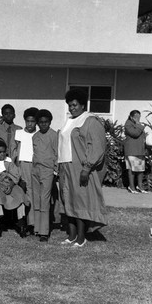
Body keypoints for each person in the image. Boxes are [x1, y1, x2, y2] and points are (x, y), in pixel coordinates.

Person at [58, 88, 107, 247]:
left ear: (83, 105)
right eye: (69, 105)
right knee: (68, 200)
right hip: (65, 165)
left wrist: (87, 168)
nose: (72, 108)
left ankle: (81, 237)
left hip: (80, 167)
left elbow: (97, 146)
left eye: (74, 105)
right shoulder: (69, 121)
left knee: (80, 202)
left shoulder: (90, 121)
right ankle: (71, 236)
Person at [0, 140, 28, 238]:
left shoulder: (9, 162)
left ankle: (21, 222)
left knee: (19, 194)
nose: (2, 154)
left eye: (3, 152)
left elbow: (16, 175)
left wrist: (12, 184)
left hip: (10, 184)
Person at [31, 109, 58, 242]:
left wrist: (56, 170)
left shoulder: (54, 136)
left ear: (50, 122)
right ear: (37, 123)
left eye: (46, 122)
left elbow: (57, 154)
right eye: (40, 122)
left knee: (45, 199)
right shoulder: (34, 136)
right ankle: (37, 227)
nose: (43, 125)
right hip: (35, 169)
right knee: (36, 198)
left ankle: (44, 231)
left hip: (47, 171)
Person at [14, 107, 39, 232]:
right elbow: (16, 152)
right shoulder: (19, 133)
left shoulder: (38, 135)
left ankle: (33, 223)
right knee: (24, 193)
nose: (30, 124)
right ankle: (23, 221)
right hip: (22, 165)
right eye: (28, 121)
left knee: (34, 194)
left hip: (35, 166)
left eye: (33, 121)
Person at [124, 110, 148, 194]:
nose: (138, 119)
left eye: (139, 117)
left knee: (140, 169)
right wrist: (140, 125)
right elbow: (135, 134)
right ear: (131, 117)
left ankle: (140, 186)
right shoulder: (128, 124)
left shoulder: (138, 125)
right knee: (132, 169)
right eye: (136, 117)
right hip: (131, 149)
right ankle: (131, 186)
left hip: (139, 149)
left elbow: (142, 135)